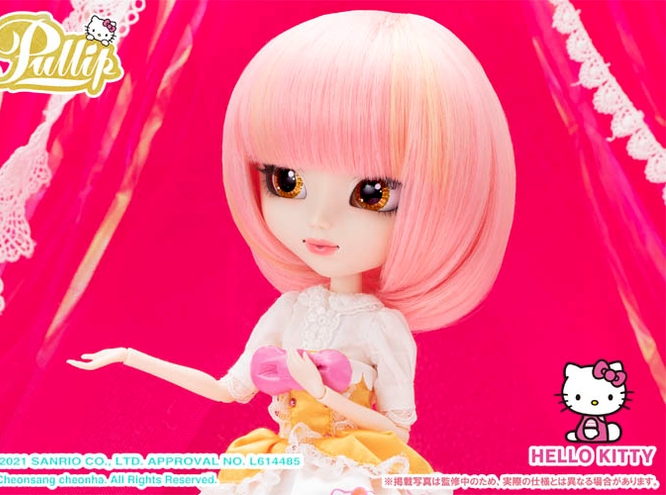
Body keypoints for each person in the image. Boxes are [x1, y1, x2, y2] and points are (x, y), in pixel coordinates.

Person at [69, 10, 515, 494]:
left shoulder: (380, 327)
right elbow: (228, 389)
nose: (319, 220)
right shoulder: (290, 310)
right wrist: (131, 358)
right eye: (288, 181)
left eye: (372, 194)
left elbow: (396, 431)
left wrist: (324, 393)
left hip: (351, 472)